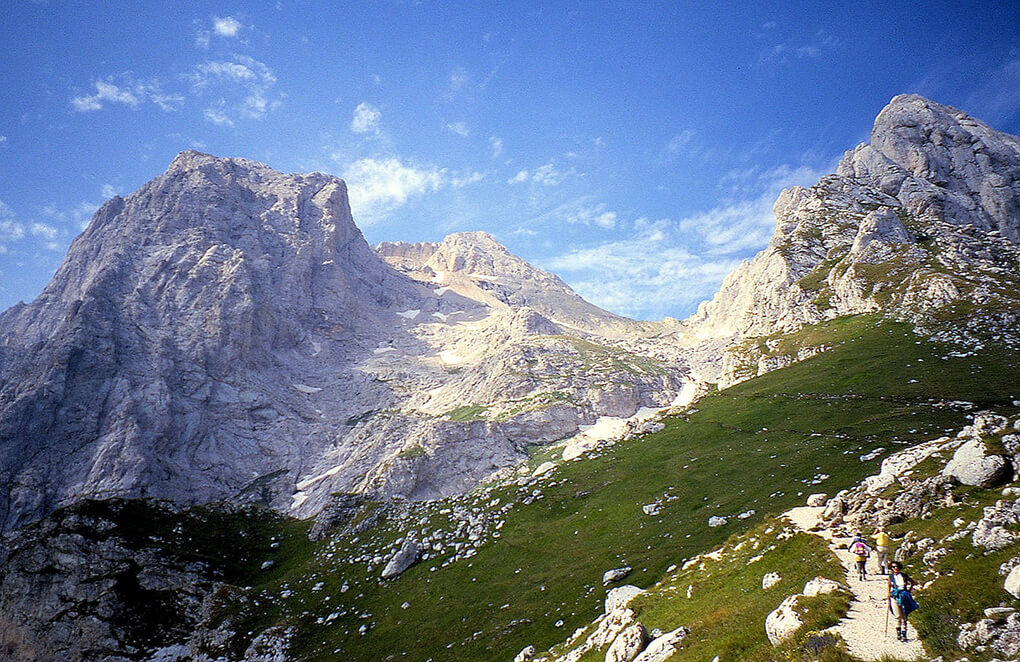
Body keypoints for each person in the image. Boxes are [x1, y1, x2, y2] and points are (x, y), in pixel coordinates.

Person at [888, 562, 918, 642]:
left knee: (904, 615)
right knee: (898, 616)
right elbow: (888, 587)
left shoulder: (904, 576)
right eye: (893, 567)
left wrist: (909, 590)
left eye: (897, 566)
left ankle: (904, 633)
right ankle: (899, 634)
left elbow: (913, 582)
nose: (895, 568)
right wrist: (888, 596)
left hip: (904, 595)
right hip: (895, 596)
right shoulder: (890, 577)